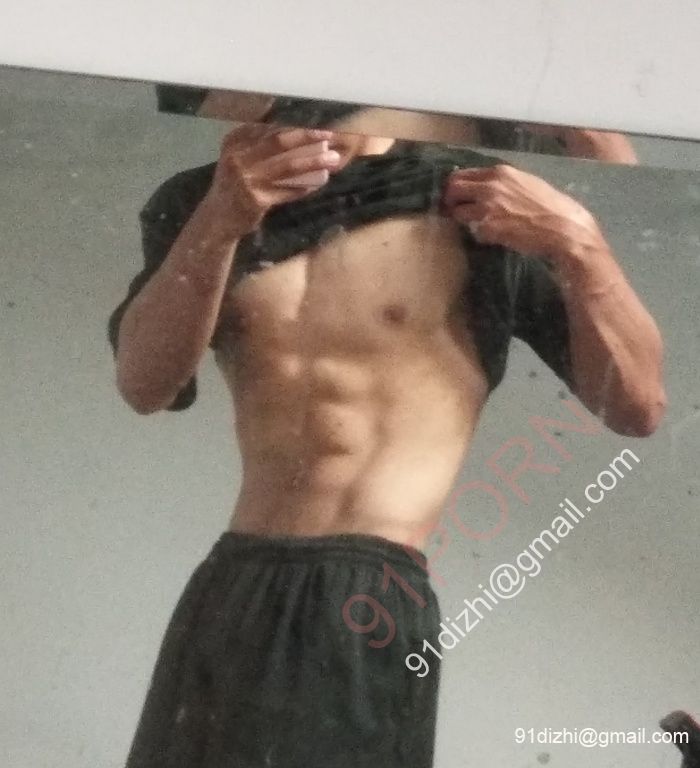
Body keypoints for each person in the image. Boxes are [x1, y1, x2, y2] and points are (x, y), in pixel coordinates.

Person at [108, 105, 666, 767]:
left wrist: (580, 240)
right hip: (233, 580)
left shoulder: (480, 200)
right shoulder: (215, 194)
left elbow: (638, 405)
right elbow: (143, 384)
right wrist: (218, 218)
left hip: (368, 594)